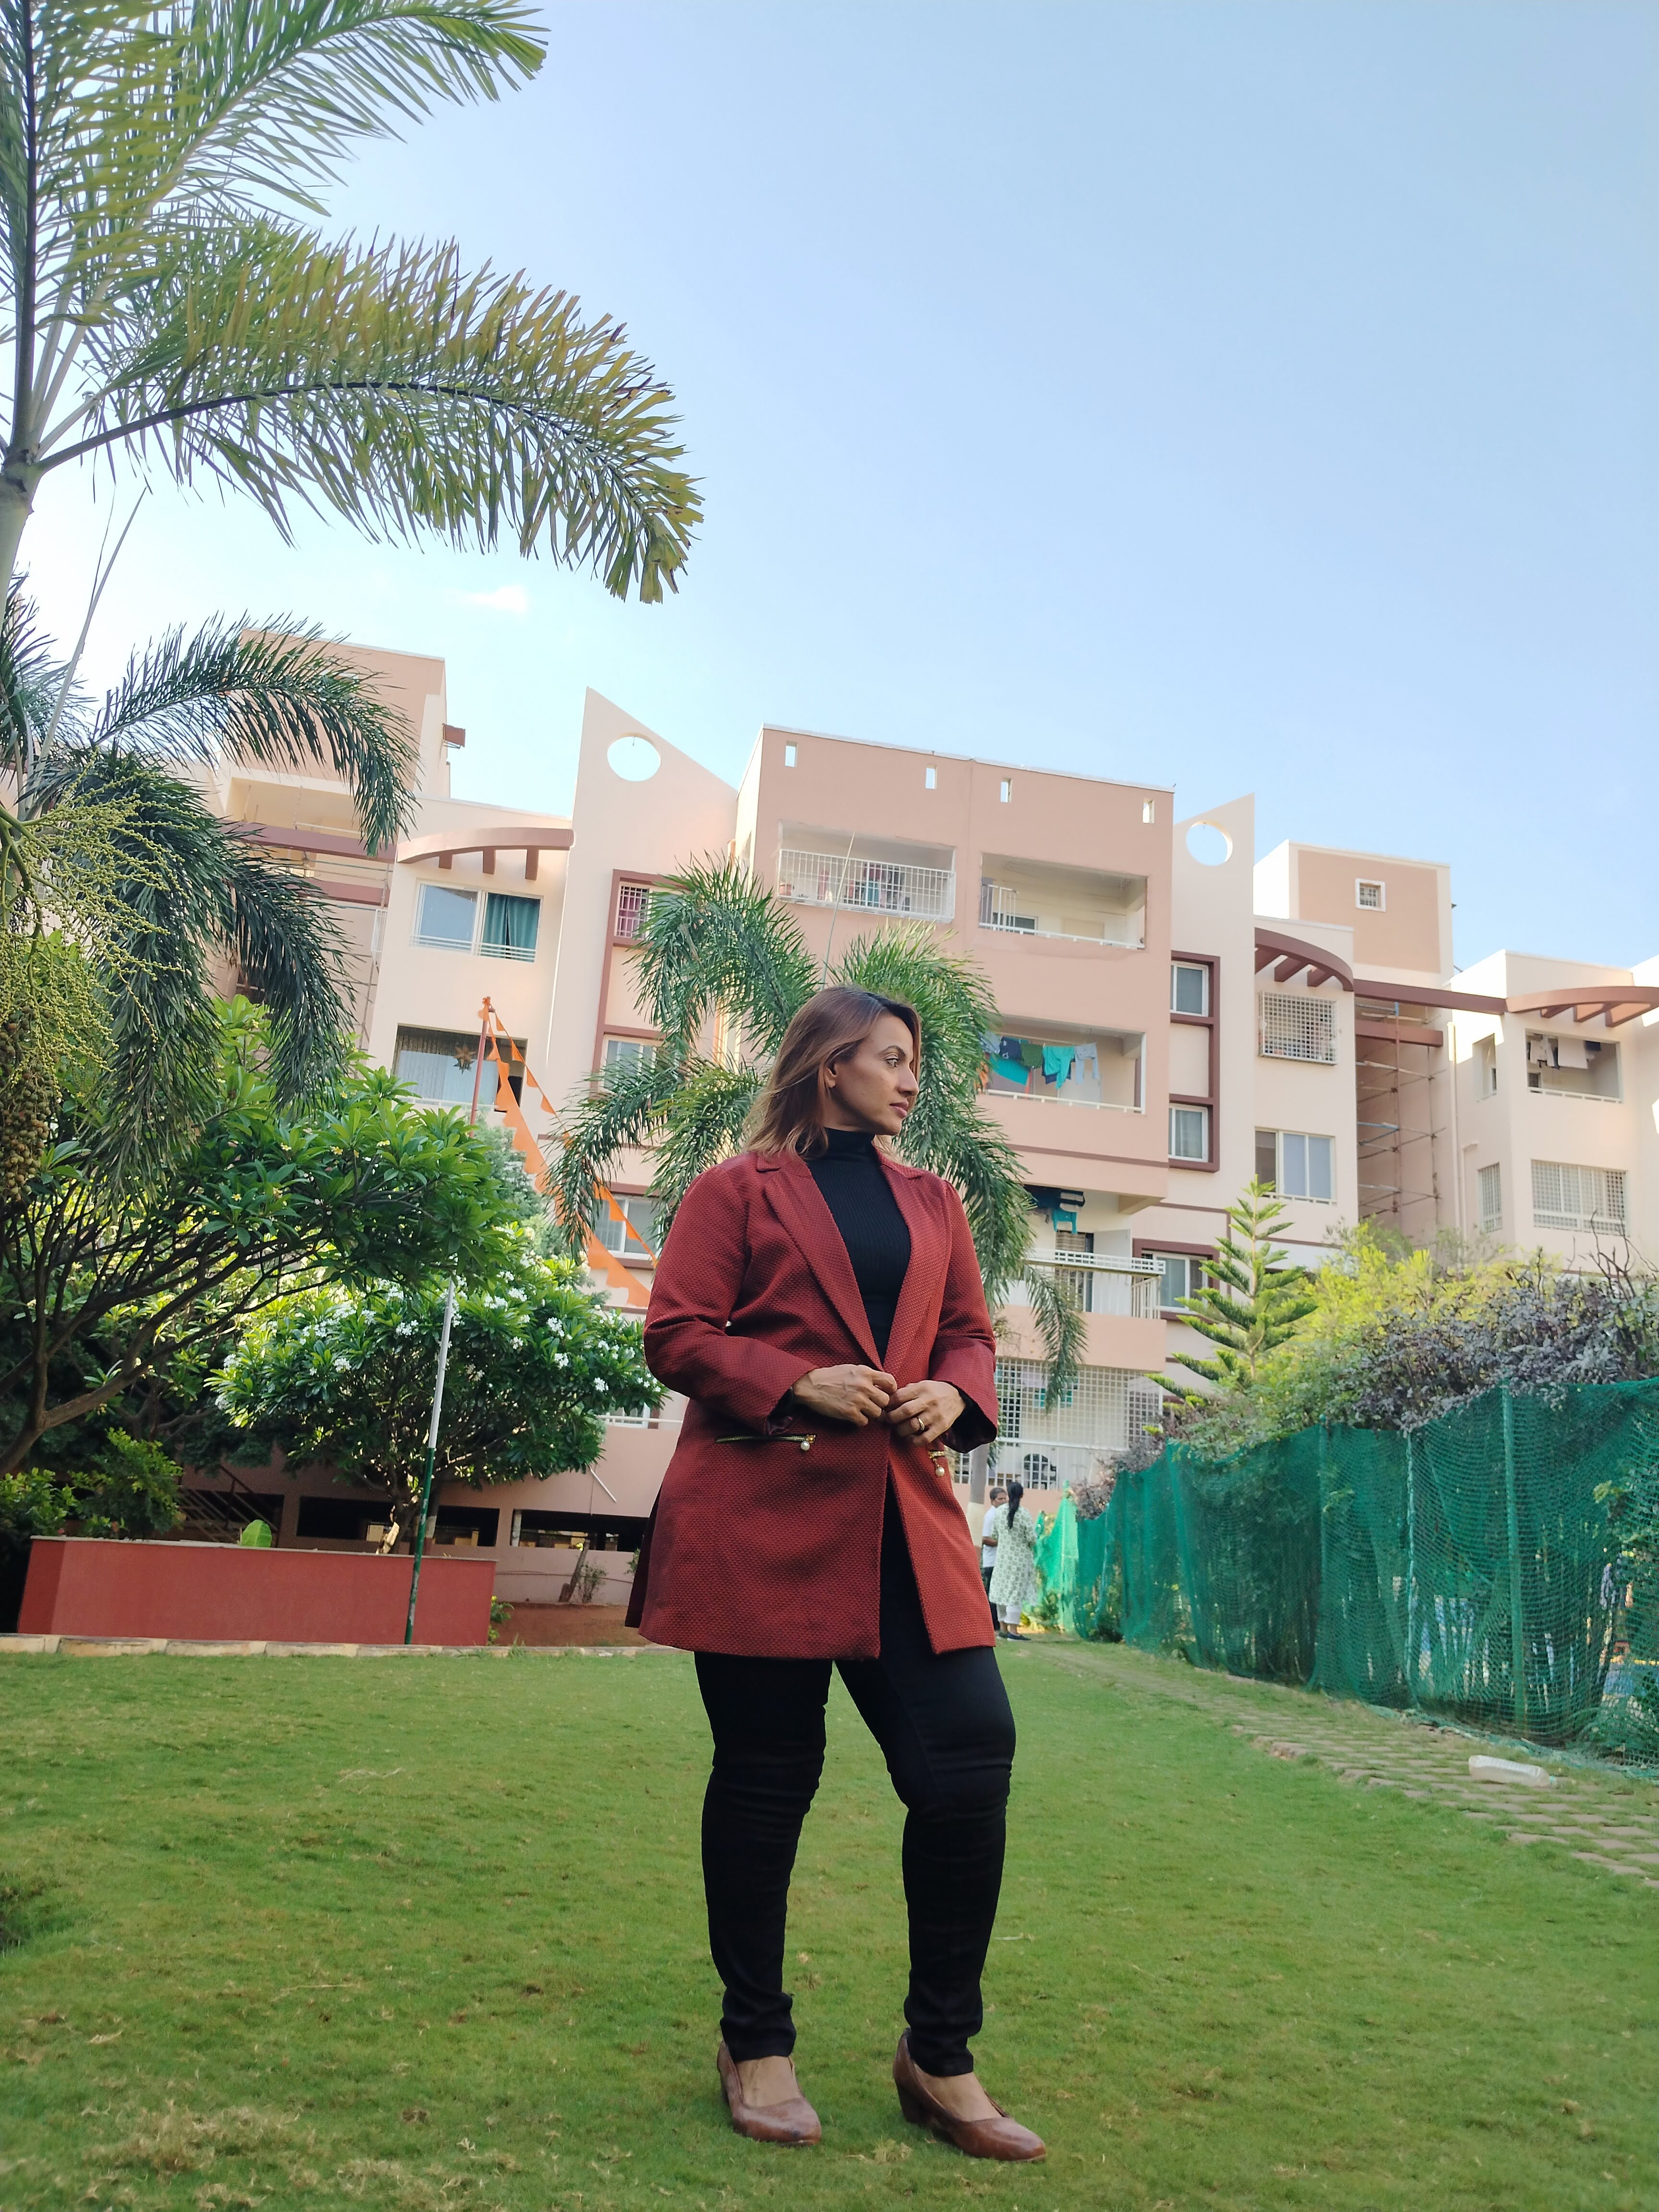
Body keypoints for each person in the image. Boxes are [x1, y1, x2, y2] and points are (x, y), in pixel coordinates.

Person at [629, 986, 1045, 2164]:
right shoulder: (735, 1190)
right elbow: (675, 1331)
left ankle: (939, 2056)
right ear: (829, 1066)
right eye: (892, 1059)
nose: (912, 1081)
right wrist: (792, 1380)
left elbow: (968, 1332)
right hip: (758, 1516)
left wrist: (955, 1390)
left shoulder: (934, 1201)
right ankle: (754, 2043)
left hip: (904, 1520)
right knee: (768, 1777)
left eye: (915, 1063)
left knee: (969, 1760)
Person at [986, 1480, 1039, 1640]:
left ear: (1008, 1494)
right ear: (1022, 1495)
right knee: (1015, 1594)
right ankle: (1014, 1631)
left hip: (1002, 1559)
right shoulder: (1024, 1514)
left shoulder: (999, 1512)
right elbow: (1032, 1539)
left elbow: (994, 1535)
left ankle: (1003, 1630)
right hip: (1020, 1561)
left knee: (1001, 1592)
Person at [979, 1486, 1007, 1609]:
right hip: (992, 1563)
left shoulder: (1002, 1514)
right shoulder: (991, 1516)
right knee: (992, 1596)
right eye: (1000, 1499)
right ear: (992, 1501)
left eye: (1005, 1499)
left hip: (1001, 1562)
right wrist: (1003, 1543)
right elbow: (985, 1538)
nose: (1004, 1502)